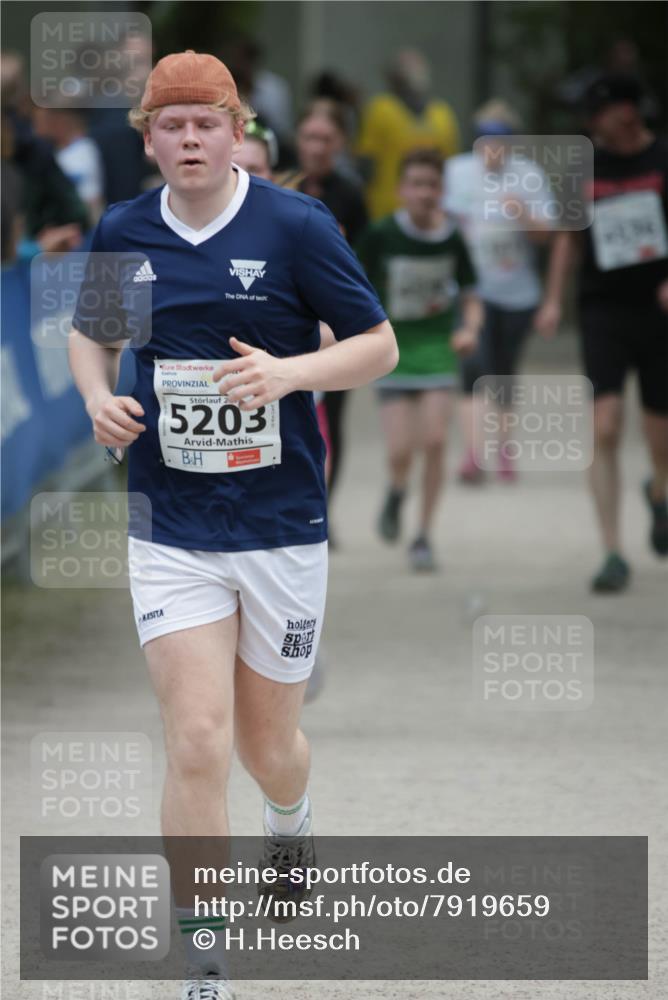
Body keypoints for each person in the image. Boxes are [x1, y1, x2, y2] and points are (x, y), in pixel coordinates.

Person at [68, 49, 397, 999]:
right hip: (171, 525)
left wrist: (289, 373)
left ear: (240, 129)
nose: (189, 140)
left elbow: (376, 344)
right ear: (148, 138)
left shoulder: (296, 225)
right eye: (170, 126)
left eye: (206, 123)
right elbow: (93, 335)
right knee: (199, 740)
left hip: (281, 522)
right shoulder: (126, 229)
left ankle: (289, 820)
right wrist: (98, 400)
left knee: (265, 747)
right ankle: (203, 957)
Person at [535, 74, 668, 592]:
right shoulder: (582, 167)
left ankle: (659, 496)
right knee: (605, 426)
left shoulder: (661, 159)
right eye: (604, 111)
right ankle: (612, 550)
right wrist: (552, 300)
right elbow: (568, 240)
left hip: (658, 311)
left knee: (659, 436)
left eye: (623, 107)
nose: (614, 117)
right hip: (603, 310)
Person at [357, 148, 481, 571]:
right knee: (400, 450)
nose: (425, 193)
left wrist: (470, 329)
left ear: (442, 191)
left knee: (435, 441)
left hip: (436, 353)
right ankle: (396, 490)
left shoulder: (452, 238)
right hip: (392, 352)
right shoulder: (381, 234)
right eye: (417, 184)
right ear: (401, 190)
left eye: (432, 185)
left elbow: (471, 293)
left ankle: (424, 535)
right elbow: (352, 283)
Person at [444, 99, 554, 482]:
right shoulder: (456, 172)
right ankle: (474, 454)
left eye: (501, 140)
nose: (492, 148)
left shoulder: (529, 175)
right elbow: (439, 226)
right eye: (485, 139)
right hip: (471, 290)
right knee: (474, 367)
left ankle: (504, 449)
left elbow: (547, 236)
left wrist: (522, 212)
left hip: (518, 292)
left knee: (504, 372)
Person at [356, 48, 460, 220]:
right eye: (408, 67)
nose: (416, 73)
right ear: (393, 76)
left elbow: (450, 168)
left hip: (432, 210)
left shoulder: (443, 114)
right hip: (387, 210)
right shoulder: (380, 109)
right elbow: (366, 164)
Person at [32, 106, 105, 223]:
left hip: (85, 218)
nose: (38, 130)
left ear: (61, 123)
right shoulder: (53, 151)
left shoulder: (84, 148)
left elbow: (89, 196)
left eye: (44, 123)